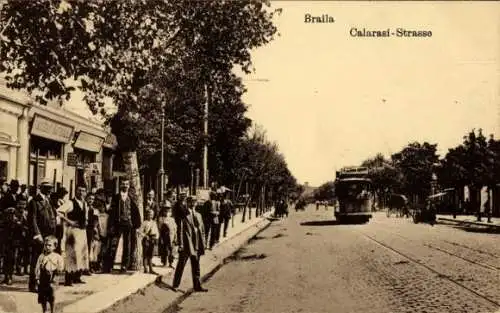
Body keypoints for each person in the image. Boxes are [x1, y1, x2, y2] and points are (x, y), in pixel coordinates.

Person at [104, 178, 141, 273]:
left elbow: (136, 211)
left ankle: (124, 266)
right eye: (123, 184)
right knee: (113, 244)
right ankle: (108, 266)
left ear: (128, 186)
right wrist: (111, 224)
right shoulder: (116, 197)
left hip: (128, 224)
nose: (125, 186)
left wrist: (136, 224)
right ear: (120, 185)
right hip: (117, 224)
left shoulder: (132, 197)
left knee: (127, 246)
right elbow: (112, 212)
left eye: (126, 184)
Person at [172, 196, 207, 292]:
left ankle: (197, 286)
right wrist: (181, 244)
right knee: (181, 265)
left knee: (196, 266)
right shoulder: (183, 215)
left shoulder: (199, 215)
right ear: (187, 203)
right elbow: (180, 230)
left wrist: (203, 243)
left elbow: (203, 230)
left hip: (196, 244)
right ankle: (175, 285)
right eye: (190, 202)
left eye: (194, 202)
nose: (192, 204)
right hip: (187, 244)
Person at [28, 180, 57, 292]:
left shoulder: (48, 200)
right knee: (36, 260)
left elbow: (52, 215)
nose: (49, 190)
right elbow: (33, 220)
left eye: (50, 187)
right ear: (41, 188)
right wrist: (37, 234)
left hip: (49, 235)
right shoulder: (34, 201)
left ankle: (43, 283)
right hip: (40, 235)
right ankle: (33, 284)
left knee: (46, 260)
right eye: (47, 187)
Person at [61, 185, 90, 286]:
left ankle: (77, 277)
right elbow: (59, 212)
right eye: (79, 191)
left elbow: (85, 216)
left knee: (81, 254)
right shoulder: (70, 202)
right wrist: (70, 221)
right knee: (72, 255)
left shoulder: (85, 203)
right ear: (75, 191)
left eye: (83, 191)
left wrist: (85, 221)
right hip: (73, 231)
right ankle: (68, 279)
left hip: (82, 231)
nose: (81, 193)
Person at [35, 235, 64, 313]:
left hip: (53, 278)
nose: (47, 247)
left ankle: (52, 310)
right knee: (43, 296)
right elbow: (37, 268)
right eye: (46, 245)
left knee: (52, 295)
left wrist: (59, 269)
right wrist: (37, 278)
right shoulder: (41, 256)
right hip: (43, 278)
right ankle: (44, 310)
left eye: (49, 245)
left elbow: (61, 266)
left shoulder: (57, 257)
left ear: (55, 246)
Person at [1, 207, 22, 285]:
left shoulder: (17, 224)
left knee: (12, 260)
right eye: (9, 215)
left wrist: (18, 244)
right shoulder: (4, 223)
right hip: (6, 243)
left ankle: (10, 277)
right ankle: (6, 277)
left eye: (12, 214)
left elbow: (20, 235)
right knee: (6, 260)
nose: (10, 216)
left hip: (13, 245)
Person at [140, 209, 159, 274]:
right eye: (149, 214)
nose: (150, 216)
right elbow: (140, 231)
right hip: (146, 239)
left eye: (151, 215)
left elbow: (156, 232)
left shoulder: (154, 223)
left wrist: (156, 238)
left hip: (152, 239)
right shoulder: (144, 222)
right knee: (145, 254)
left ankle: (151, 269)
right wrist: (145, 236)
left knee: (150, 255)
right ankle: (145, 269)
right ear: (147, 215)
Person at [85, 193, 99, 275]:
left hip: (90, 230)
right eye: (89, 198)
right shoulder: (83, 207)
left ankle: (89, 267)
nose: (91, 200)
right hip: (83, 229)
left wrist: (95, 228)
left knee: (89, 248)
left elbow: (96, 221)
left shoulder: (94, 210)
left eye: (92, 199)